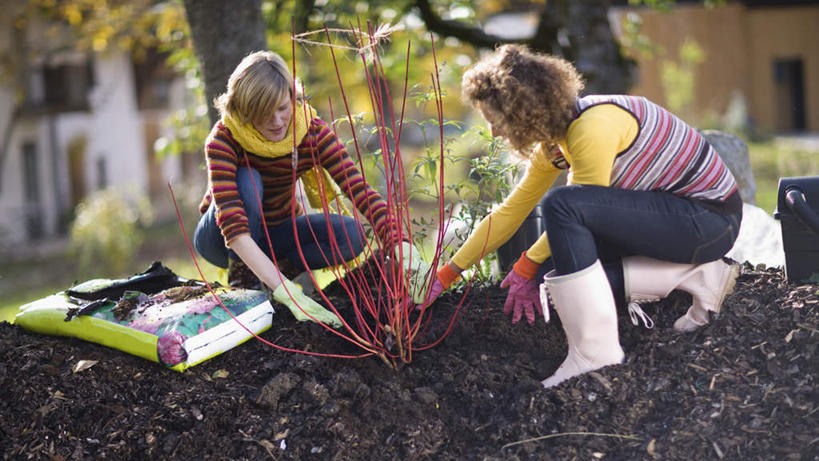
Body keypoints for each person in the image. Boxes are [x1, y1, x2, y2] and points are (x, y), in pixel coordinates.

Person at [422, 44, 742, 388]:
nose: (495, 132)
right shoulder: (556, 144)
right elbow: (510, 212)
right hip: (675, 220)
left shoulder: (592, 127)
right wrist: (446, 275)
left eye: (495, 120)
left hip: (709, 221)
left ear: (522, 111)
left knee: (562, 208)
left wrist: (525, 265)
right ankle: (701, 277)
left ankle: (595, 352)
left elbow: (579, 209)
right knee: (551, 275)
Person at [194, 50, 427, 327]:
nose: (277, 122)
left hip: (277, 230)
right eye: (264, 113)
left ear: (292, 97)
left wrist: (401, 244)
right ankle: (244, 274)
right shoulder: (224, 138)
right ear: (245, 110)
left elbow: (359, 189)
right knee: (249, 180)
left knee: (351, 235)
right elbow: (233, 227)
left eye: (282, 108)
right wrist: (286, 293)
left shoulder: (311, 132)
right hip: (221, 239)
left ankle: (278, 269)